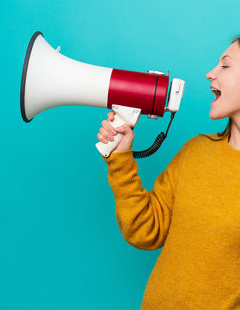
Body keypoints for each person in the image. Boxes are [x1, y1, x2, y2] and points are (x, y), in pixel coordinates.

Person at [97, 37, 240, 309]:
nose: (210, 73)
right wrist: (120, 158)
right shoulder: (196, 152)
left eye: (225, 65)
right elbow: (145, 230)